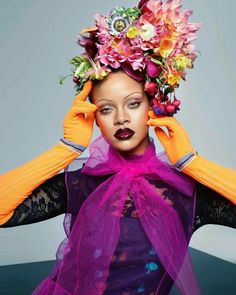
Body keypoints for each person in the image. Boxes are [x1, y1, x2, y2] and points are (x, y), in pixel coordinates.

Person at [0, 0, 236, 294]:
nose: (121, 117)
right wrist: (65, 148)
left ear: (153, 105)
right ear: (94, 117)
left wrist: (192, 162)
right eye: (107, 108)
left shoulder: (186, 191)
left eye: (133, 104)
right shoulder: (82, 181)